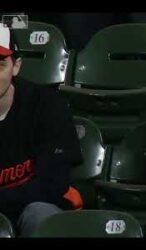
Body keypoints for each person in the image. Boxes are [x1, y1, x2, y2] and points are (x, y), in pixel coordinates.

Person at [0, 24, 82, 236]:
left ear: (16, 66)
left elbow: (53, 184)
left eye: (0, 65)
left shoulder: (46, 105)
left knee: (41, 215)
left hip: (33, 206)